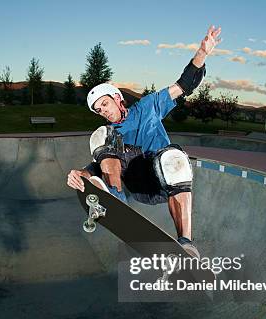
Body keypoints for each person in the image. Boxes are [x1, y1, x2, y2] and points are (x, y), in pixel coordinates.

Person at [67, 26, 222, 258]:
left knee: (175, 157)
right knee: (101, 134)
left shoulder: (149, 106)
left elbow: (183, 85)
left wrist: (202, 52)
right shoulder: (109, 133)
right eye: (99, 110)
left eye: (105, 105)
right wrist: (82, 175)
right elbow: (98, 165)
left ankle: (187, 244)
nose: (104, 112)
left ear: (118, 99)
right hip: (132, 183)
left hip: (160, 180)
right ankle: (114, 199)